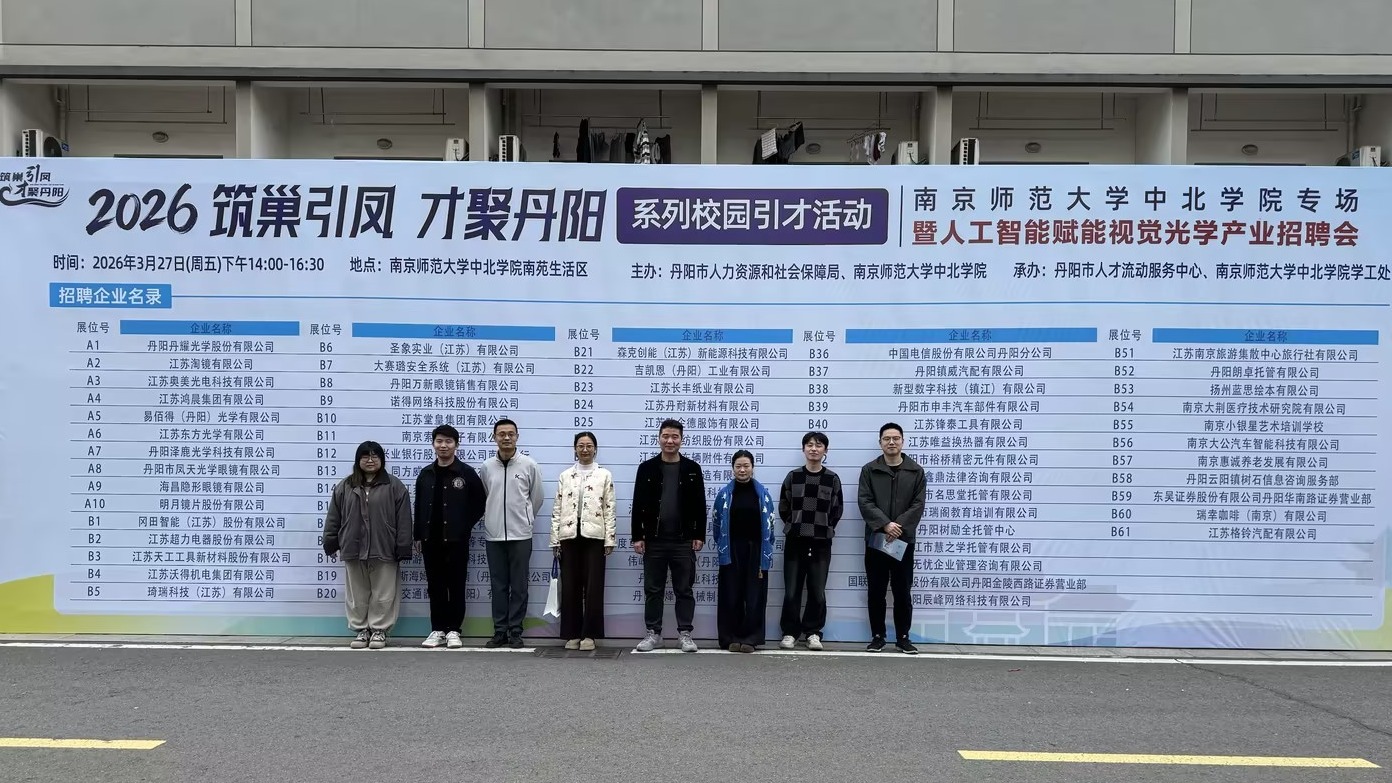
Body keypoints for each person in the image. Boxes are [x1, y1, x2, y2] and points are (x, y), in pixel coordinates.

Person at [322, 441, 414, 650]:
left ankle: (379, 630)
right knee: (357, 593)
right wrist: (330, 539)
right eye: (365, 456)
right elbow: (334, 516)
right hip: (353, 547)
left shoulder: (394, 486)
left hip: (385, 548)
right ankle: (361, 630)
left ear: (382, 460)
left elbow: (404, 519)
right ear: (358, 460)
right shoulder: (345, 486)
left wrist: (403, 545)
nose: (370, 460)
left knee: (384, 593)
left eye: (375, 456)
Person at [631, 418, 706, 653]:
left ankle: (685, 634)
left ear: (681, 439)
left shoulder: (692, 468)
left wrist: (699, 534)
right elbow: (638, 503)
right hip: (654, 540)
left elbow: (700, 505)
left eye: (675, 437)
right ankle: (654, 634)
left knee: (684, 589)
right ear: (659, 438)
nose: (670, 441)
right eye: (665, 436)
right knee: (653, 589)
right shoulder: (647, 468)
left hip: (683, 540)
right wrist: (637, 536)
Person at [413, 424, 486, 649]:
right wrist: (418, 535)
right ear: (433, 444)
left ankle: (454, 630)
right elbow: (419, 506)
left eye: (448, 441)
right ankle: (437, 629)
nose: (443, 445)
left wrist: (463, 526)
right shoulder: (426, 474)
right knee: (435, 586)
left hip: (457, 540)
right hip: (430, 540)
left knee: (456, 585)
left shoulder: (466, 473)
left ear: (456, 444)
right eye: (439, 441)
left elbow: (480, 503)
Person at [858, 422, 926, 654]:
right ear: (880, 443)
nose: (891, 442)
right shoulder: (869, 470)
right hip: (877, 539)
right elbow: (865, 501)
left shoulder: (915, 471)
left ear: (902, 441)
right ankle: (877, 636)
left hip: (903, 541)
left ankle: (903, 638)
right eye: (886, 438)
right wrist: (885, 524)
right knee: (876, 591)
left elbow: (918, 504)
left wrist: (898, 527)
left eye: (896, 438)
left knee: (902, 591)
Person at [479, 418, 545, 649]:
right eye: (501, 434)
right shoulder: (487, 467)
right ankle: (500, 631)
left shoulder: (529, 465)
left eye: (510, 434)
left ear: (517, 436)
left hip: (521, 535)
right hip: (494, 535)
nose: (506, 438)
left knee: (519, 585)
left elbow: (536, 498)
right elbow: (485, 496)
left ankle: (516, 631)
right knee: (498, 585)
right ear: (494, 437)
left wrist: (525, 519)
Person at [549, 431, 617, 651]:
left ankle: (590, 635)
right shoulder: (566, 475)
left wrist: (609, 539)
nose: (585, 449)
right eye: (580, 446)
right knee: (570, 587)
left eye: (589, 446)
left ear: (595, 449)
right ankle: (572, 633)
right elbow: (557, 508)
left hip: (595, 537)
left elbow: (609, 508)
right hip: (568, 536)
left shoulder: (604, 475)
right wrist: (555, 540)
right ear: (575, 449)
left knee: (593, 587)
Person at [778, 431, 843, 651]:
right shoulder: (793, 477)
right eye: (809, 445)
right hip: (795, 541)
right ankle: (790, 632)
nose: (814, 449)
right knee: (792, 590)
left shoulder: (832, 479)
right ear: (803, 449)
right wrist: (795, 526)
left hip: (821, 542)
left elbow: (836, 510)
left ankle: (813, 633)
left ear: (826, 450)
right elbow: (784, 507)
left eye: (819, 445)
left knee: (817, 590)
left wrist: (823, 528)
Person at [712, 450, 777, 653]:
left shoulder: (763, 494)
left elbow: (771, 525)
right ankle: (730, 637)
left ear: (752, 468)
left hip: (756, 550)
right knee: (731, 594)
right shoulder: (724, 495)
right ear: (732, 468)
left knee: (755, 595)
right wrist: (723, 546)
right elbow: (716, 524)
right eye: (738, 466)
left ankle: (751, 638)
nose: (742, 470)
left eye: (746, 466)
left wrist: (766, 550)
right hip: (731, 549)